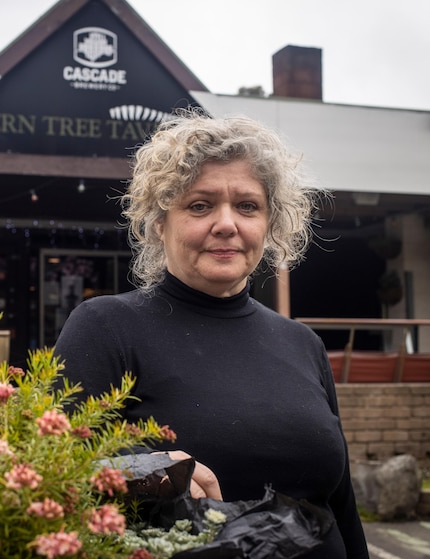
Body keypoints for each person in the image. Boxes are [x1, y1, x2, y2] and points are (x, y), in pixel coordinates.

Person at [54, 109, 370, 558]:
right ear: (160, 223)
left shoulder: (303, 344)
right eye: (200, 205)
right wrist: (139, 468)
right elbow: (53, 470)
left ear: (268, 224)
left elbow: (341, 504)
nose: (227, 223)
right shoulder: (106, 327)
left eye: (247, 206)